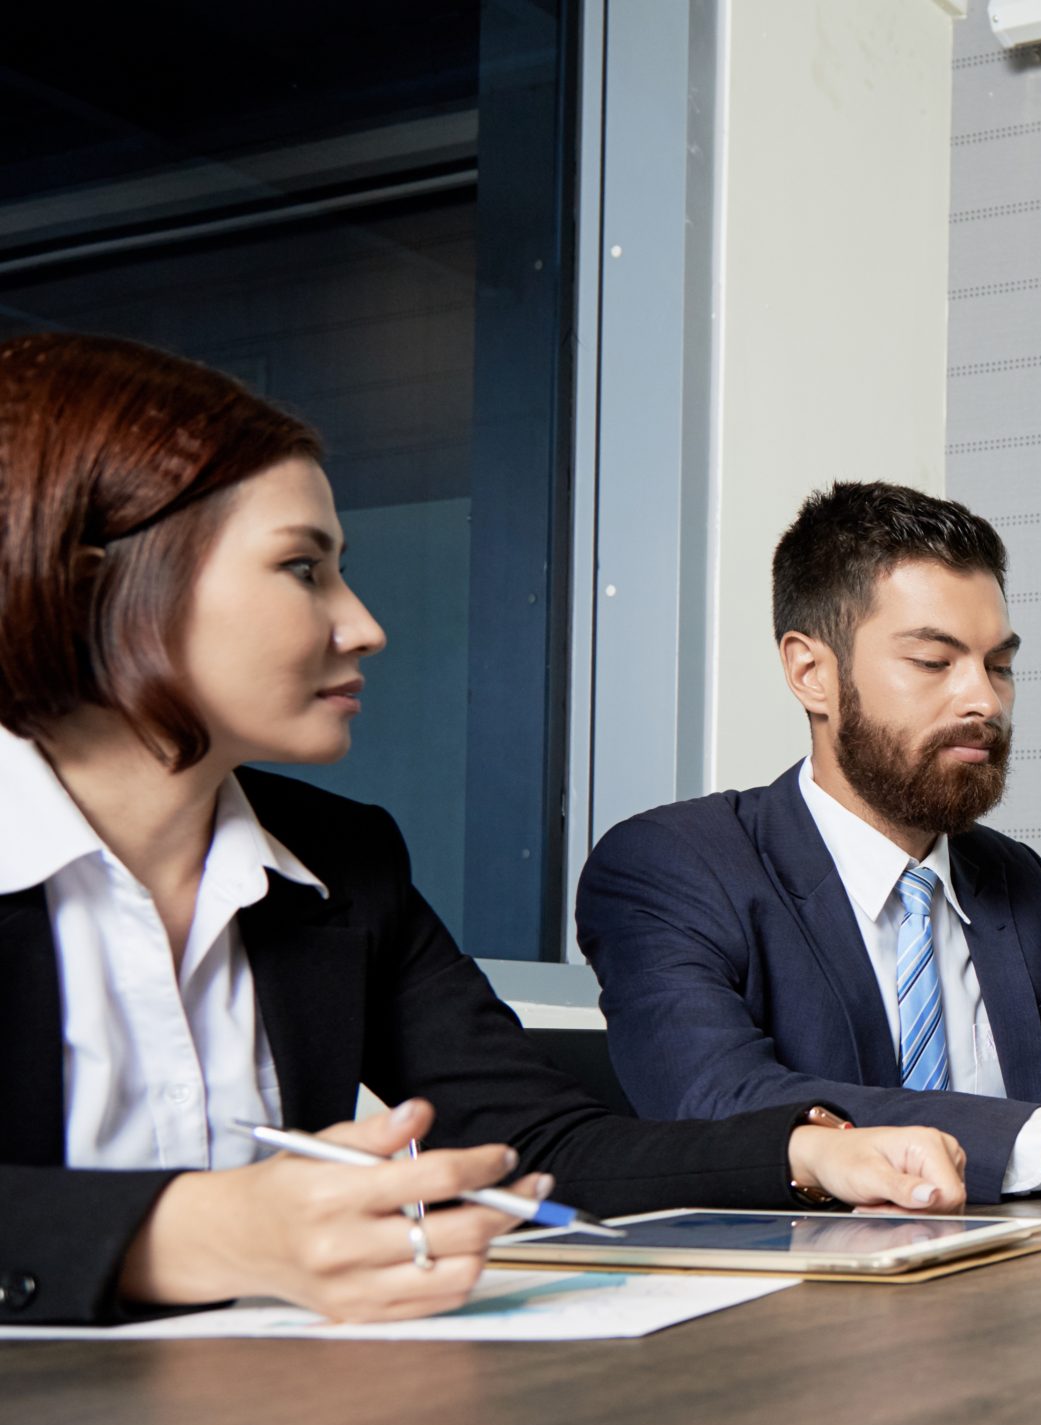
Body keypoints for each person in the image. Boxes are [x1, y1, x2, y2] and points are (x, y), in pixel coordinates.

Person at [0, 333, 972, 1327]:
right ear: (95, 590)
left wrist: (809, 1153)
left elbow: (538, 1142)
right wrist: (202, 1231)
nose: (363, 625)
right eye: (301, 568)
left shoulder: (344, 862)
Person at [574, 481, 1041, 1202]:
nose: (984, 700)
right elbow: (722, 1101)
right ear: (811, 673)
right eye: (934, 662)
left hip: (1021, 1299)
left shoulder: (1014, 880)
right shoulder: (670, 866)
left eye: (1000, 664)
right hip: (789, 1306)